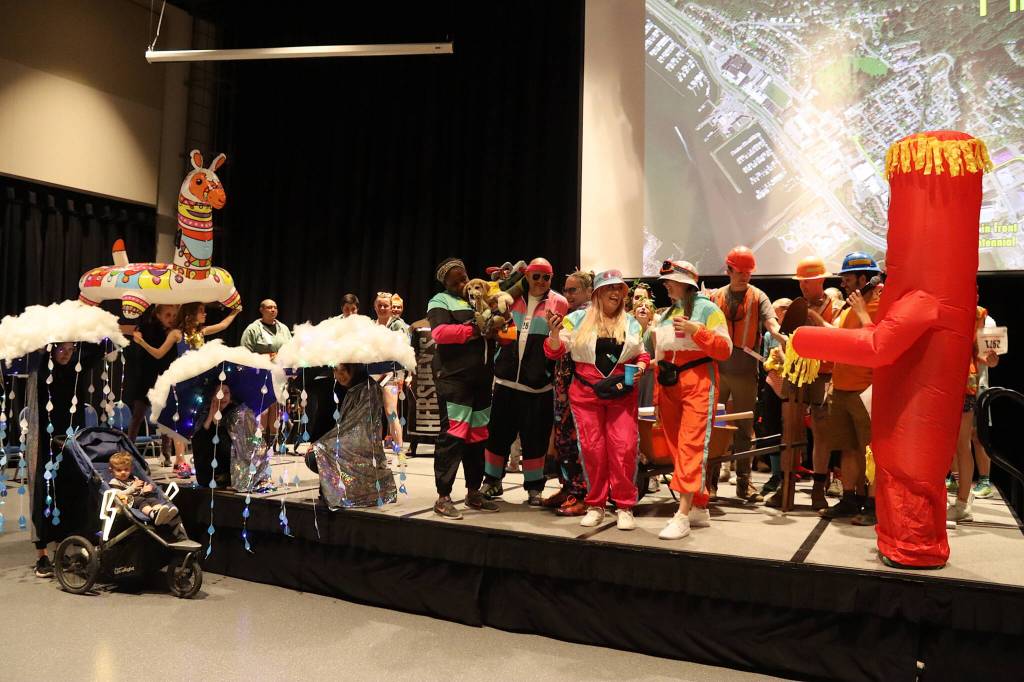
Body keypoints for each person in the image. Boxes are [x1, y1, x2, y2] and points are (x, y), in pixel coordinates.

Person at [544, 269, 650, 531]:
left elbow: (642, 354)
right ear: (597, 294)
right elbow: (554, 350)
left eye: (620, 289)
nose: (615, 293)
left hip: (621, 391)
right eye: (609, 288)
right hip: (586, 393)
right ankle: (596, 504)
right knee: (592, 449)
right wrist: (555, 335)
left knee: (624, 447)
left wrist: (640, 368)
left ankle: (624, 505)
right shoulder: (577, 319)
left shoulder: (632, 322)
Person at [648, 261, 732, 539]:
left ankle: (682, 515)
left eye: (671, 280)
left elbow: (724, 350)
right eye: (666, 280)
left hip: (698, 381)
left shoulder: (708, 309)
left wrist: (698, 330)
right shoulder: (667, 313)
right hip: (668, 384)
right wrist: (648, 366)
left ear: (687, 282)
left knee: (690, 445)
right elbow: (665, 351)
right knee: (675, 447)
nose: (666, 284)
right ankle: (699, 503)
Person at [480, 258, 568, 505]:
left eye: (547, 277)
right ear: (527, 276)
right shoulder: (511, 297)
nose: (541, 282)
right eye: (536, 276)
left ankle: (534, 488)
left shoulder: (559, 302)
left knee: (536, 439)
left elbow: (558, 343)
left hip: (538, 385)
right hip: (506, 381)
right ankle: (492, 481)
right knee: (497, 436)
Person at [707, 246, 783, 502]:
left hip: (745, 372)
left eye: (748, 272)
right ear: (728, 270)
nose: (745, 277)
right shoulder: (714, 297)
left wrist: (779, 334)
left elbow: (771, 322)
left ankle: (744, 483)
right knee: (714, 426)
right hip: (717, 370)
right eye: (739, 272)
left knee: (744, 428)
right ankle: (710, 483)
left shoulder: (758, 296)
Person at [427, 258, 499, 519]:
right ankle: (443, 496)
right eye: (455, 281)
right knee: (454, 435)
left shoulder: (480, 296)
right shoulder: (440, 301)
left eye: (464, 277)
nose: (462, 283)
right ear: (445, 284)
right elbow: (440, 333)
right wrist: (474, 329)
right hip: (453, 379)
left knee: (478, 436)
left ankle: (473, 491)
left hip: (482, 379)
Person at [26, 342, 104, 578]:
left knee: (70, 492)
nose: (66, 355)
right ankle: (42, 556)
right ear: (51, 349)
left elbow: (98, 349)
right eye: (62, 349)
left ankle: (62, 550)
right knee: (44, 494)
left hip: (70, 442)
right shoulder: (41, 370)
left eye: (71, 351)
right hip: (45, 444)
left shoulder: (76, 369)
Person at [817, 253, 882, 523]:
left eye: (847, 278)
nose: (843, 284)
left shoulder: (880, 303)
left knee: (871, 451)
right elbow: (840, 339)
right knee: (847, 447)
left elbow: (878, 342)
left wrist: (863, 313)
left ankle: (874, 504)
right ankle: (849, 499)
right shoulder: (846, 307)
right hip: (842, 387)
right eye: (842, 279)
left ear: (864, 278)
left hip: (866, 389)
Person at [784, 255, 842, 510]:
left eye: (807, 281)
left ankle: (819, 489)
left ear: (820, 279)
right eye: (800, 282)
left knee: (821, 432)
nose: (803, 286)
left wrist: (815, 319)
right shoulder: (796, 306)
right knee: (790, 429)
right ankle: (784, 487)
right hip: (796, 375)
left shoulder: (837, 308)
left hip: (825, 376)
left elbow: (839, 337)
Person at [308, 363, 399, 508]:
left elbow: (354, 427)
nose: (340, 375)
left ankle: (343, 491)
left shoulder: (366, 389)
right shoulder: (348, 388)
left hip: (359, 444)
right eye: (336, 371)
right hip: (349, 440)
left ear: (354, 369)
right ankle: (337, 490)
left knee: (316, 455)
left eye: (343, 371)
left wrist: (322, 444)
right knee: (315, 453)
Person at [543, 269, 593, 516]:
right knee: (563, 438)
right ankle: (568, 487)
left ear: (588, 291)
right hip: (563, 384)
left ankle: (581, 493)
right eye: (566, 290)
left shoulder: (591, 315)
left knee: (575, 439)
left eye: (574, 289)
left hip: (581, 385)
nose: (568, 294)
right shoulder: (572, 315)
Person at [947, 304, 1000, 522]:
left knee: (972, 439)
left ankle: (971, 492)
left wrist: (990, 359)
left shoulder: (984, 319)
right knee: (951, 443)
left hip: (972, 386)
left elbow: (991, 358)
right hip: (944, 386)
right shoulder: (948, 310)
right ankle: (957, 484)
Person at [125, 304, 180, 465]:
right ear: (158, 315)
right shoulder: (147, 328)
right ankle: (129, 451)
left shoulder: (173, 332)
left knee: (165, 418)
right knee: (138, 415)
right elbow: (132, 330)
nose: (171, 319)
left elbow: (165, 356)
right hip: (145, 378)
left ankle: (166, 454)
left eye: (174, 315)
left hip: (164, 379)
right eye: (167, 315)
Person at [240, 299, 292, 446]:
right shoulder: (253, 329)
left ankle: (272, 444)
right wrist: (267, 356)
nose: (273, 310)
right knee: (264, 409)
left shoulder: (284, 328)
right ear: (261, 310)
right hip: (259, 374)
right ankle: (259, 443)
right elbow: (244, 353)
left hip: (278, 374)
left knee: (276, 407)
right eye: (269, 307)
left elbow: (291, 348)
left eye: (275, 307)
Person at [757, 297, 791, 497]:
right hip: (772, 383)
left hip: (792, 386)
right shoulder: (770, 335)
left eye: (776, 311)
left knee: (790, 430)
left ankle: (787, 473)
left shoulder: (797, 332)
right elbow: (764, 361)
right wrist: (771, 363)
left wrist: (785, 361)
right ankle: (776, 473)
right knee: (771, 428)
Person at [108, 451, 179, 525]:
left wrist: (144, 490)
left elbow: (138, 493)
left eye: (126, 469)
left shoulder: (134, 478)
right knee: (140, 500)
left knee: (151, 498)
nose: (123, 472)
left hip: (137, 499)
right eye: (119, 470)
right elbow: (118, 495)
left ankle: (161, 512)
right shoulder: (114, 481)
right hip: (125, 503)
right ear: (111, 471)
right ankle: (152, 514)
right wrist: (133, 488)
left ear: (130, 469)